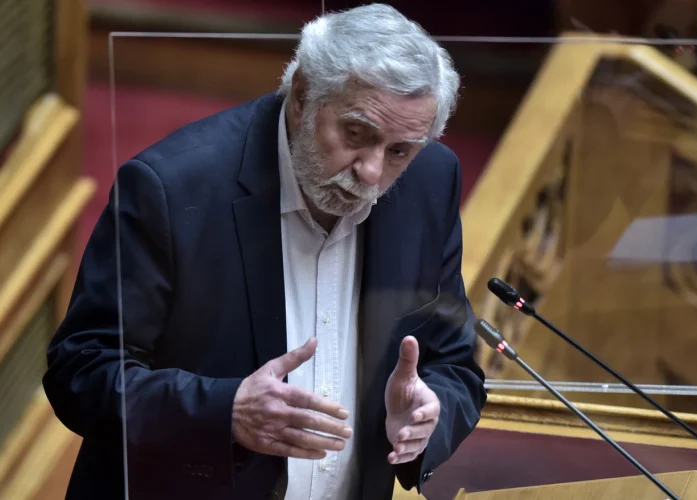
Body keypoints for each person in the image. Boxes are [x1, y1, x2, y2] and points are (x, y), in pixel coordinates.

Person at [42, 4, 487, 500]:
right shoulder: (170, 189)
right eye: (355, 134)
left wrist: (429, 416)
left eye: (399, 151)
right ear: (301, 95)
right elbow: (81, 371)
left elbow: (455, 364)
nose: (371, 172)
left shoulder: (429, 182)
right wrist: (225, 411)